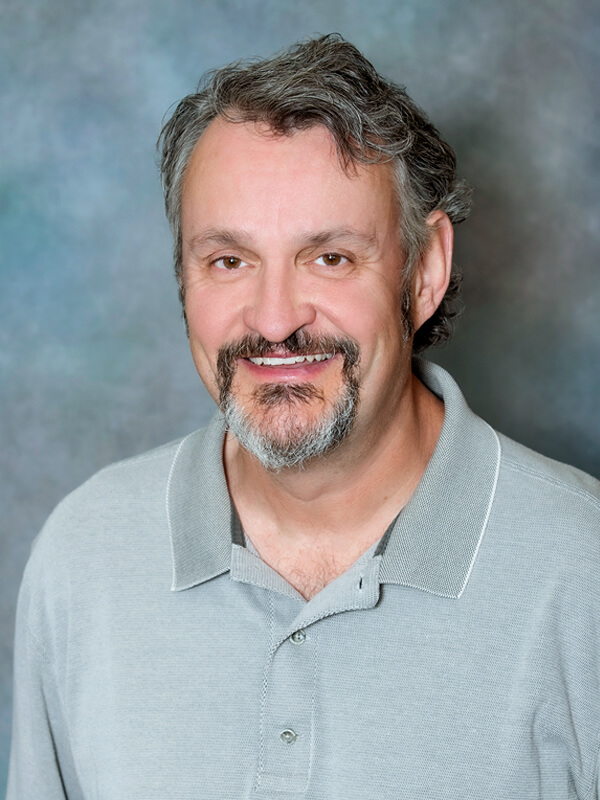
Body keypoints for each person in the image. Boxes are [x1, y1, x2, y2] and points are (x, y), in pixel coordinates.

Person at [7, 34, 600, 800]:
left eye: (330, 258)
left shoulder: (582, 575)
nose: (276, 320)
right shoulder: (83, 560)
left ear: (424, 273)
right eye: (229, 260)